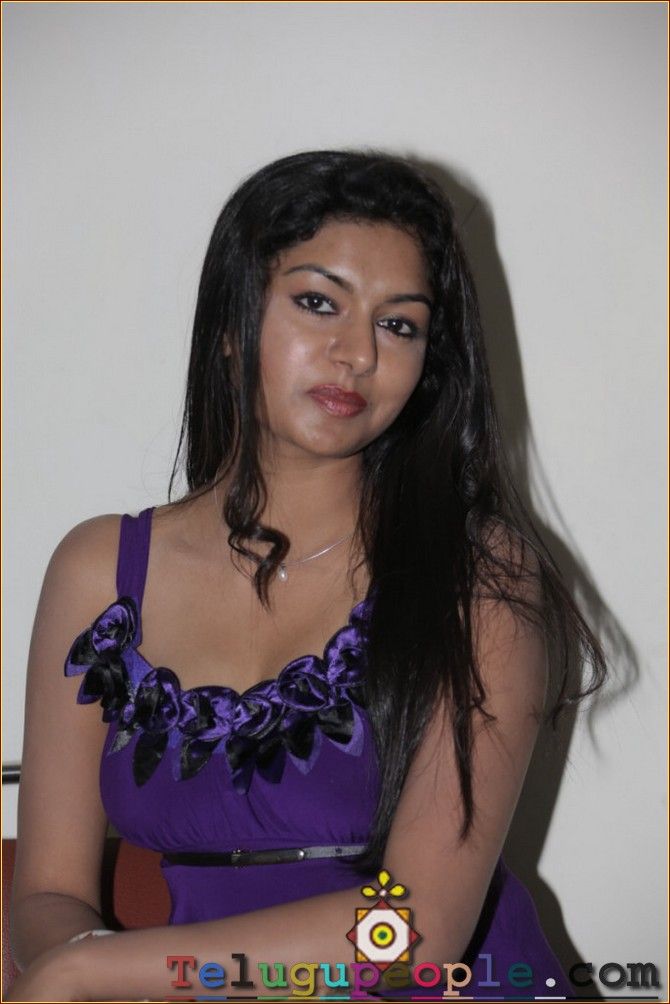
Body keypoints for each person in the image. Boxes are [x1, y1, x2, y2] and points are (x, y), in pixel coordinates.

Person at [8, 150, 606, 1001]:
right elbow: (46, 894)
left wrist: (94, 969)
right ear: (231, 323)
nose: (356, 353)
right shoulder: (101, 571)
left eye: (399, 325)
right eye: (318, 302)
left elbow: (414, 930)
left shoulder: (479, 575)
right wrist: (83, 966)